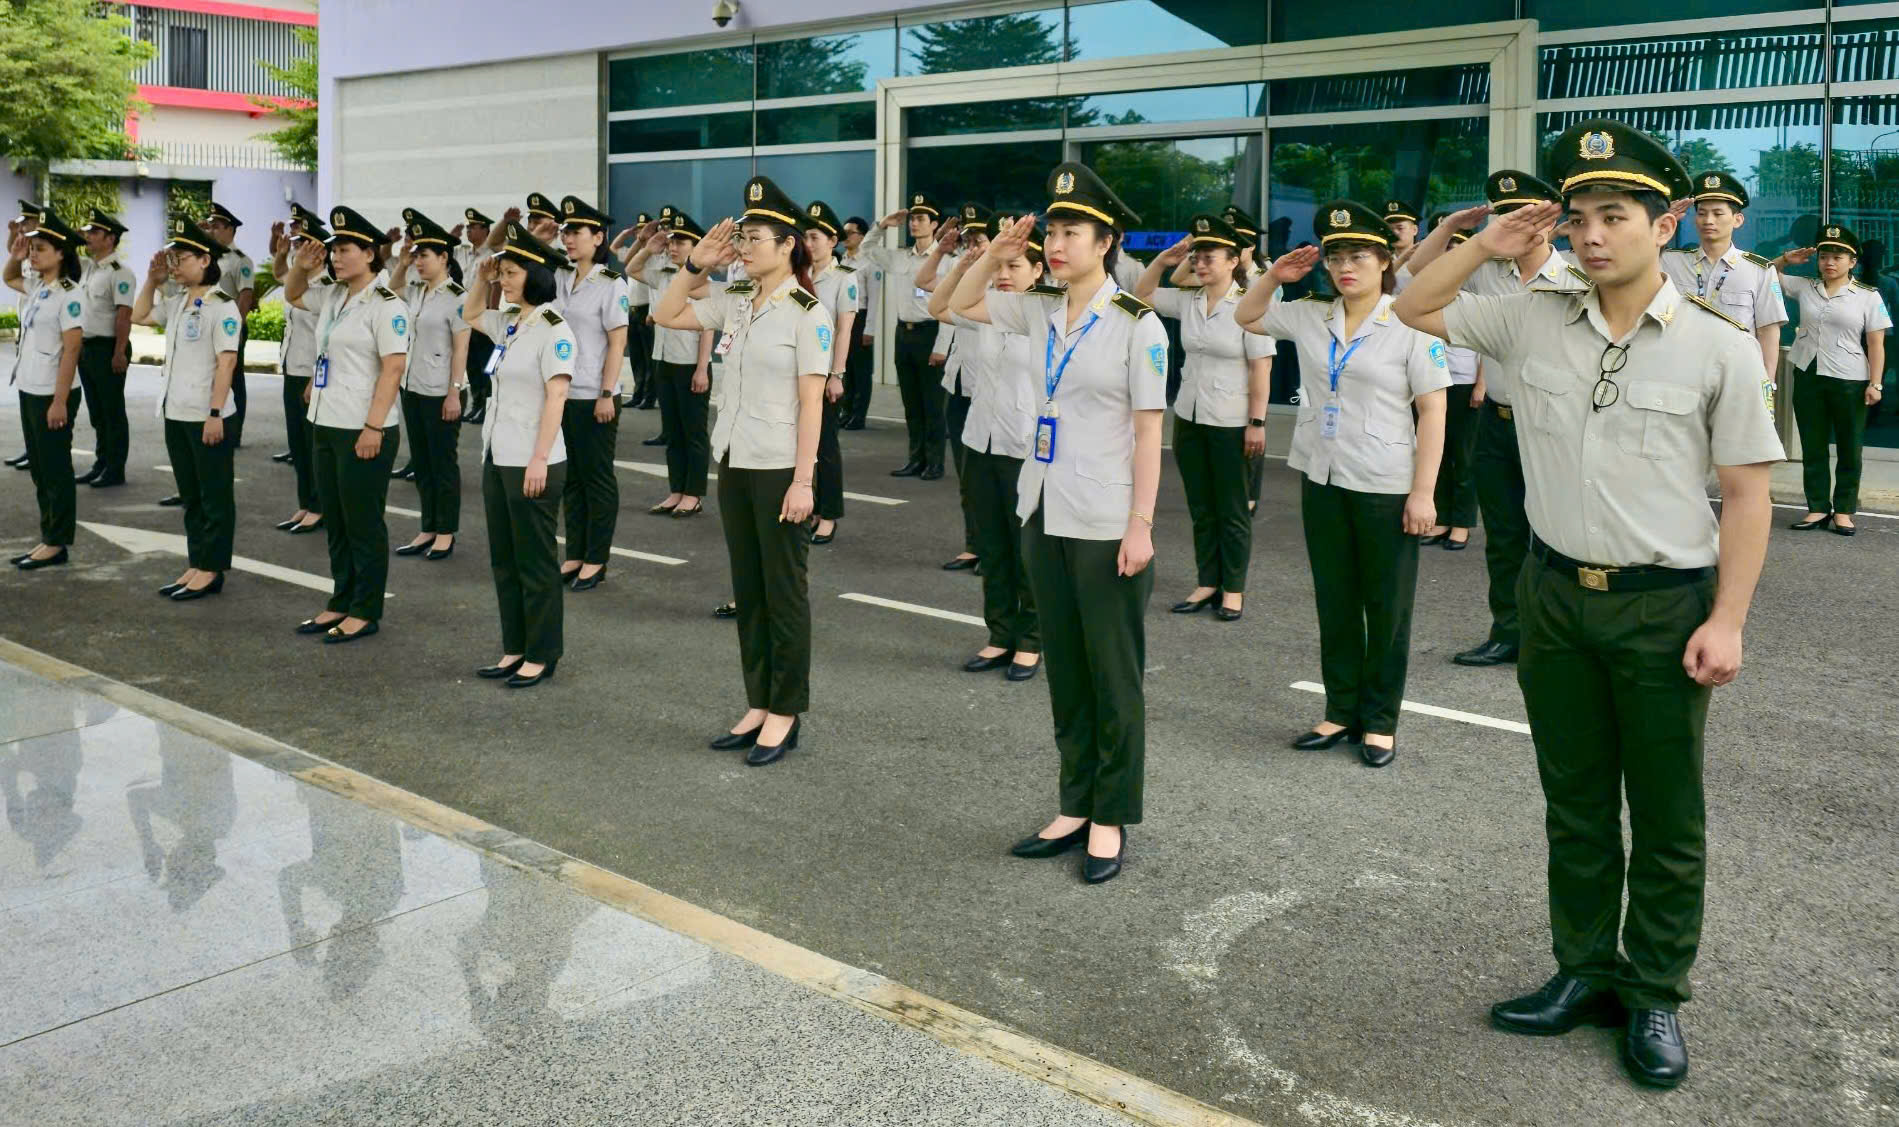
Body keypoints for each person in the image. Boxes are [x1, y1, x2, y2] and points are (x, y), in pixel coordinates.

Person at [1394, 118, 1784, 1092]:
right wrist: (1485, 242)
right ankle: (1581, 967)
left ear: (1666, 222)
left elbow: (1747, 495)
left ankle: (1652, 989)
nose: (1594, 234)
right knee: (1573, 803)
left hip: (1662, 606)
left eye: (1616, 214)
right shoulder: (1529, 317)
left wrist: (1728, 619)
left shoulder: (1718, 345)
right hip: (1556, 599)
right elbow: (1411, 304)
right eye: (1579, 218)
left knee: (1664, 813)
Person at [949, 163, 1167, 885]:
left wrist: (1141, 524)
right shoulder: (1040, 309)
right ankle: (1075, 802)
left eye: (1073, 231)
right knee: (1067, 670)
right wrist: (994, 252)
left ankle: (1111, 813)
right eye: (1052, 231)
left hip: (1106, 517)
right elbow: (952, 303)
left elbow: (1148, 433)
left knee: (1112, 673)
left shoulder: (1138, 324)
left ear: (1106, 243)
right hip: (1042, 506)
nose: (1056, 243)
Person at [1234, 201, 1449, 768]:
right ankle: (1340, 709)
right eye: (1336, 257)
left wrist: (1424, 493)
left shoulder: (1410, 321)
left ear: (1384, 260)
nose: (1345, 267)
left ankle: (1379, 720)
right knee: (1335, 599)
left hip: (1386, 483)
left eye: (1358, 256)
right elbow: (1247, 318)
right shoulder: (1311, 315)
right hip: (1323, 475)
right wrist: (1274, 278)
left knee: (1387, 607)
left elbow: (1433, 412)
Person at [653, 176, 828, 767]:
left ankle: (786, 710)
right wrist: (695, 265)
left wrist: (804, 481)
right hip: (733, 458)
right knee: (749, 592)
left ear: (788, 245)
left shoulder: (807, 313)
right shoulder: (735, 300)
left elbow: (812, 403)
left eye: (756, 238)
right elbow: (665, 313)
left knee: (784, 593)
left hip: (779, 468)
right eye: (742, 238)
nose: (745, 248)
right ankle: (759, 701)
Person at [1403, 170, 1592, 668]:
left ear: (1548, 221)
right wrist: (1453, 230)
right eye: (1505, 217)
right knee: (1504, 538)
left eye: (1525, 217)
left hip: (1554, 425)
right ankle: (1508, 631)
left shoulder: (1577, 280)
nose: (1515, 227)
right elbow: (1417, 275)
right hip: (1498, 421)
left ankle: (1556, 636)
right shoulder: (1486, 270)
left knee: (1555, 537)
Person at [1137, 214, 1274, 621]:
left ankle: (1233, 589)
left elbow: (1261, 368)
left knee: (1232, 510)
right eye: (1196, 256)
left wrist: (1257, 423)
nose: (1199, 264)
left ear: (1233, 260)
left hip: (1232, 421)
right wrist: (1162, 261)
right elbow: (1143, 295)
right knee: (1201, 507)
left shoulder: (1249, 304)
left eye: (1209, 257)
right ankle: (1207, 582)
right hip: (1190, 415)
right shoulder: (1190, 299)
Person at [282, 207, 408, 644]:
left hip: (362, 426)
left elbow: (393, 368)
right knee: (336, 520)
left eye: (345, 250)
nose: (336, 257)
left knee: (363, 522)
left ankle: (365, 609)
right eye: (333, 250)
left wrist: (373, 427)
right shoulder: (334, 296)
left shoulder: (387, 305)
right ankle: (340, 600)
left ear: (370, 254)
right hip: (326, 420)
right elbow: (293, 295)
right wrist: (300, 266)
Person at [928, 215, 1045, 681]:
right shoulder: (987, 309)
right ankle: (999, 634)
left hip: (1025, 446)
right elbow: (938, 305)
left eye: (1015, 266)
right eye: (1001, 266)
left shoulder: (1050, 313)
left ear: (1038, 270)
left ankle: (1030, 640)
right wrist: (970, 264)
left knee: (1025, 549)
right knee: (992, 547)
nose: (1005, 274)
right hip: (981, 439)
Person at [463, 223, 575, 688]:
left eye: (511, 273)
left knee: (535, 562)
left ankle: (542, 653)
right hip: (498, 454)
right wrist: (481, 279)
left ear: (536, 276)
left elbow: (557, 397)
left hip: (533, 459)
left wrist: (539, 459)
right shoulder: (510, 321)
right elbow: (471, 313)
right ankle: (515, 647)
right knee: (504, 561)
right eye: (502, 273)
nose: (504, 281)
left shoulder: (554, 329)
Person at [131, 219, 240, 600]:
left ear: (205, 259)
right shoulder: (178, 301)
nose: (174, 265)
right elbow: (139, 316)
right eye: (172, 258)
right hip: (176, 412)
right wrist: (152, 281)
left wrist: (215, 414)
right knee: (191, 496)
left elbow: (227, 363)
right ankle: (197, 562)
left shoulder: (223, 307)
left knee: (214, 496)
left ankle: (212, 569)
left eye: (182, 258)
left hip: (206, 415)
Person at [1773, 225, 1890, 535]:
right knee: (1813, 445)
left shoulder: (1868, 296)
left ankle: (1845, 511)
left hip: (1849, 379)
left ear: (1852, 262)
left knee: (1850, 448)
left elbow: (1876, 344)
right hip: (1808, 374)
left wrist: (1875, 383)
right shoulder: (1805, 287)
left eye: (1838, 257)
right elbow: (1766, 274)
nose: (1829, 263)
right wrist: (1785, 258)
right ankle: (1817, 508)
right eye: (1824, 256)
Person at [552, 195, 630, 591]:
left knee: (596, 479)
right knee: (571, 479)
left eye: (576, 231)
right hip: (562, 393)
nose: (568, 238)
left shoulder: (612, 284)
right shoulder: (560, 277)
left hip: (595, 394)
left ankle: (596, 558)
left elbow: (617, 342)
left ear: (598, 237)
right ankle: (575, 553)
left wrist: (606, 392)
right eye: (565, 231)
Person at [3, 209, 86, 570]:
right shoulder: (39, 287)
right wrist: (16, 254)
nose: (33, 254)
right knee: (39, 468)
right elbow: (9, 277)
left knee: (55, 469)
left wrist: (60, 401)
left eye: (40, 249)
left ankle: (57, 542)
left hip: (53, 392)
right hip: (30, 386)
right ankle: (48, 536)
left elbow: (72, 349)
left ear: (61, 254)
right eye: (32, 248)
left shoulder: (70, 294)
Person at [624, 210, 715, 517]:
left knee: (693, 433)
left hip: (690, 363)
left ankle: (693, 494)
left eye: (681, 242)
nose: (673, 247)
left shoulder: (701, 281)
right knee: (673, 432)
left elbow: (707, 327)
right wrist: (648, 247)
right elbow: (631, 269)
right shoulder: (663, 274)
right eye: (671, 241)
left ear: (696, 246)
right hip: (662, 360)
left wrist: (702, 368)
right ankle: (676, 490)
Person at [389, 209, 469, 560]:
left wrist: (454, 392)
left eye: (424, 255)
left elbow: (461, 348)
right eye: (416, 254)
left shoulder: (458, 297)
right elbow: (391, 289)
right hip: (414, 387)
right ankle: (428, 526)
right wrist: (402, 262)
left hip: (441, 391)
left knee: (442, 464)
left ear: (444, 258)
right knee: (422, 462)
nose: (418, 261)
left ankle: (445, 531)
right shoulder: (417, 291)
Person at [1662, 172, 1788, 393]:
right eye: (1702, 213)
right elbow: (1631, 262)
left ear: (1737, 220)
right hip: (1680, 375)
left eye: (1718, 213)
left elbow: (1768, 331)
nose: (1708, 220)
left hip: (1737, 379)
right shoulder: (1670, 262)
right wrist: (1657, 223)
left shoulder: (1760, 270)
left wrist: (1767, 385)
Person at [1410, 213, 1482, 551]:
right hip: (1431, 381)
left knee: (1463, 456)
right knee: (1434, 454)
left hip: (1466, 381)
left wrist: (1481, 385)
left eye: (1457, 250)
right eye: (1445, 248)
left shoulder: (1477, 289)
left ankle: (1462, 523)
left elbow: (1490, 346)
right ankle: (1439, 518)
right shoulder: (1428, 289)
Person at [866, 192, 947, 479]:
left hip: (930, 333)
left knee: (932, 404)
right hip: (904, 334)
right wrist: (882, 225)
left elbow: (949, 306)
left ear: (934, 224)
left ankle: (935, 462)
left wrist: (942, 346)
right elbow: (867, 249)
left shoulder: (946, 260)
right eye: (912, 218)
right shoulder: (901, 257)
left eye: (921, 219)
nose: (914, 223)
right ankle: (916, 459)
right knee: (911, 403)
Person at [270, 207, 332, 535]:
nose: (297, 250)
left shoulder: (328, 287)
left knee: (313, 444)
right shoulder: (299, 281)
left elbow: (329, 337)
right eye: (296, 244)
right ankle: (305, 502)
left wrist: (313, 378)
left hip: (312, 373)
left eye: (303, 244)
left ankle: (320, 506)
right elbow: (280, 274)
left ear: (320, 250)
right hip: (292, 367)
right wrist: (281, 254)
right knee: (297, 443)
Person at [802, 199, 860, 544]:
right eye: (805, 237)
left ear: (833, 240)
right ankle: (811, 506)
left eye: (815, 237)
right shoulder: (798, 275)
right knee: (803, 446)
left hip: (823, 373)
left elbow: (844, 329)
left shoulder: (844, 278)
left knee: (825, 446)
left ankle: (829, 514)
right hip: (799, 370)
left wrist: (836, 375)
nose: (808, 244)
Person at [74, 208, 136, 488]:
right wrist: (75, 236)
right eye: (87, 232)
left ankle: (115, 468)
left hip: (108, 347)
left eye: (94, 232)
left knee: (112, 411)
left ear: (110, 238)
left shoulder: (120, 273)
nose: (88, 236)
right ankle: (101, 462)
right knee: (97, 412)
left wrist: (119, 352)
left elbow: (124, 315)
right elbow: (66, 252)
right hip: (87, 347)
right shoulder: (89, 269)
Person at [200, 201, 255, 449]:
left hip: (230, 326)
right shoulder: (206, 257)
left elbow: (245, 296)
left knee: (233, 379)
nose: (212, 231)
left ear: (230, 230)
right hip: (207, 326)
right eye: (210, 226)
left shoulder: (240, 261)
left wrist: (238, 328)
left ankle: (234, 431)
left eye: (217, 227)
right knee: (211, 375)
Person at [5, 201, 46, 472]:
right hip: (27, 325)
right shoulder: (29, 249)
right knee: (26, 399)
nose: (23, 228)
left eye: (26, 223)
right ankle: (31, 449)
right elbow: (12, 256)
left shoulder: (44, 252)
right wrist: (13, 234)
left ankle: (38, 452)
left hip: (43, 334)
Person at [456, 207, 497, 424]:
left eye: (473, 227)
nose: (468, 230)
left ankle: (487, 406)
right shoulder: (465, 254)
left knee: (486, 364)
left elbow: (493, 286)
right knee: (471, 364)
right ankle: (476, 404)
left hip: (482, 317)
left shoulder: (491, 255)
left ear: (485, 229)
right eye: (468, 227)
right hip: (466, 316)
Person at [839, 215, 877, 429]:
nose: (845, 236)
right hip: (845, 317)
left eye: (850, 233)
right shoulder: (843, 261)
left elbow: (874, 298)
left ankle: (859, 415)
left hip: (861, 318)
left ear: (862, 236)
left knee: (861, 370)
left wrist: (869, 329)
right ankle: (846, 411)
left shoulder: (869, 262)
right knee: (846, 368)